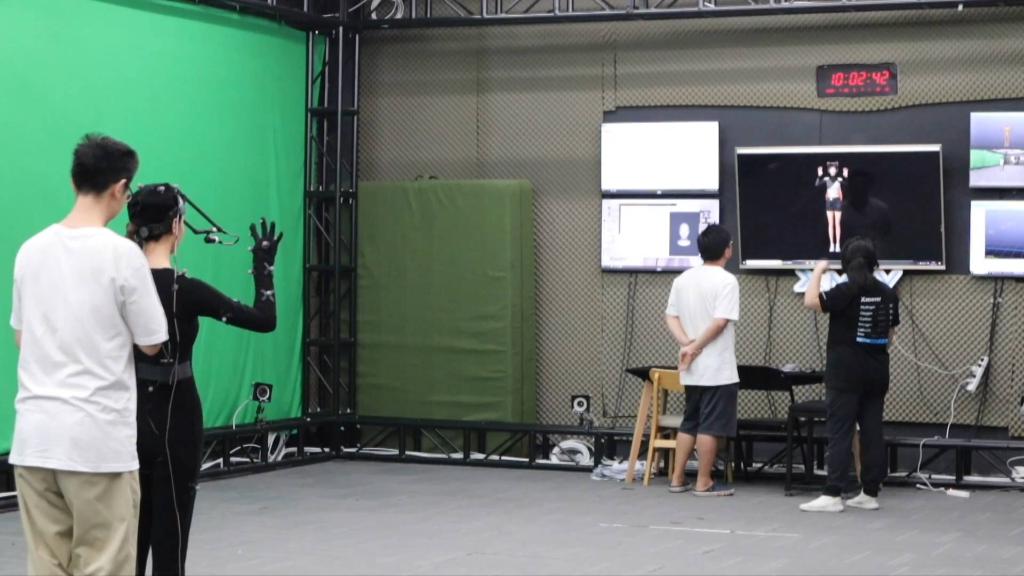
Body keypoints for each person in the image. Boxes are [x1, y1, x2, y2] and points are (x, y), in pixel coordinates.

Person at [9, 134, 168, 575]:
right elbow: (152, 341)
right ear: (120, 189)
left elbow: (22, 338)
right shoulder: (123, 255)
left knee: (46, 566)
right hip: (98, 444)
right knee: (104, 564)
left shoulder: (30, 250)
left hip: (35, 440)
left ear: (73, 180)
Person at [126, 183, 282, 575]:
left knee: (127, 543)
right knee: (172, 537)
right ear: (176, 226)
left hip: (127, 416)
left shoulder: (119, 286)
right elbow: (264, 319)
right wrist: (264, 268)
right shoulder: (187, 290)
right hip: (177, 420)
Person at [800, 237, 900, 513]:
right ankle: (869, 492)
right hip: (877, 371)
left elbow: (811, 301)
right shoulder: (888, 293)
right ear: (874, 263)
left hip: (844, 372)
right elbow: (890, 334)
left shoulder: (845, 291)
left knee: (840, 431)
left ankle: (833, 493)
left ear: (845, 264)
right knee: (872, 432)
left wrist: (818, 271)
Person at [664, 225, 740, 497]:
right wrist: (695, 347)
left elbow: (670, 316)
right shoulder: (727, 281)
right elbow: (720, 322)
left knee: (690, 422)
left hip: (692, 367)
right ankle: (704, 481)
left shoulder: (683, 279)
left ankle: (677, 478)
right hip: (717, 367)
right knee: (711, 426)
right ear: (727, 250)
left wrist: (687, 344)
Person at [816, 162, 848, 254]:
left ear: (836, 170)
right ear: (829, 170)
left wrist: (846, 176)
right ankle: (831, 244)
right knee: (830, 224)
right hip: (829, 202)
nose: (833, 170)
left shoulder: (839, 179)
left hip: (837, 201)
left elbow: (848, 185)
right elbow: (817, 184)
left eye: (834, 169)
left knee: (837, 224)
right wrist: (819, 176)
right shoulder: (826, 179)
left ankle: (837, 244)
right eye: (831, 169)